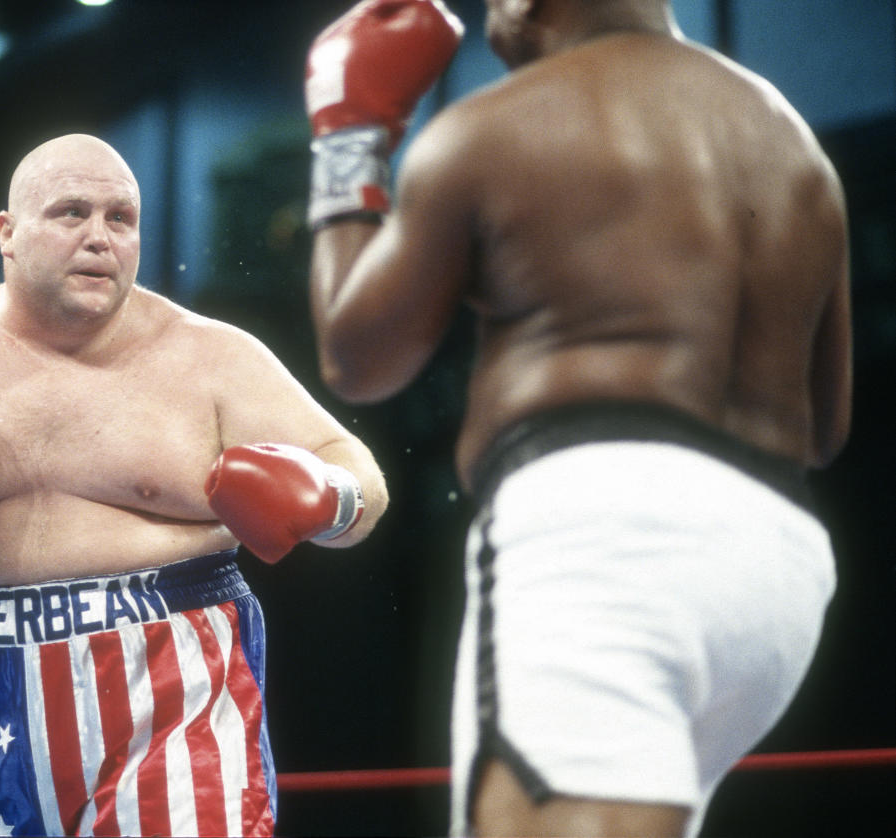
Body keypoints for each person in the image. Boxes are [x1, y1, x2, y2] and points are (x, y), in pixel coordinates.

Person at [302, 1, 850, 836]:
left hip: (603, 544)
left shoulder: (491, 127)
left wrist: (348, 136)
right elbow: (825, 425)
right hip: (777, 575)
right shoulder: (793, 146)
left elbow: (358, 355)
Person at [0, 133, 388, 837]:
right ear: (8, 232)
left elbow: (357, 474)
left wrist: (329, 498)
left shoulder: (212, 356)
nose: (99, 238)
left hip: (164, 694)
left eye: (120, 219)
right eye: (70, 213)